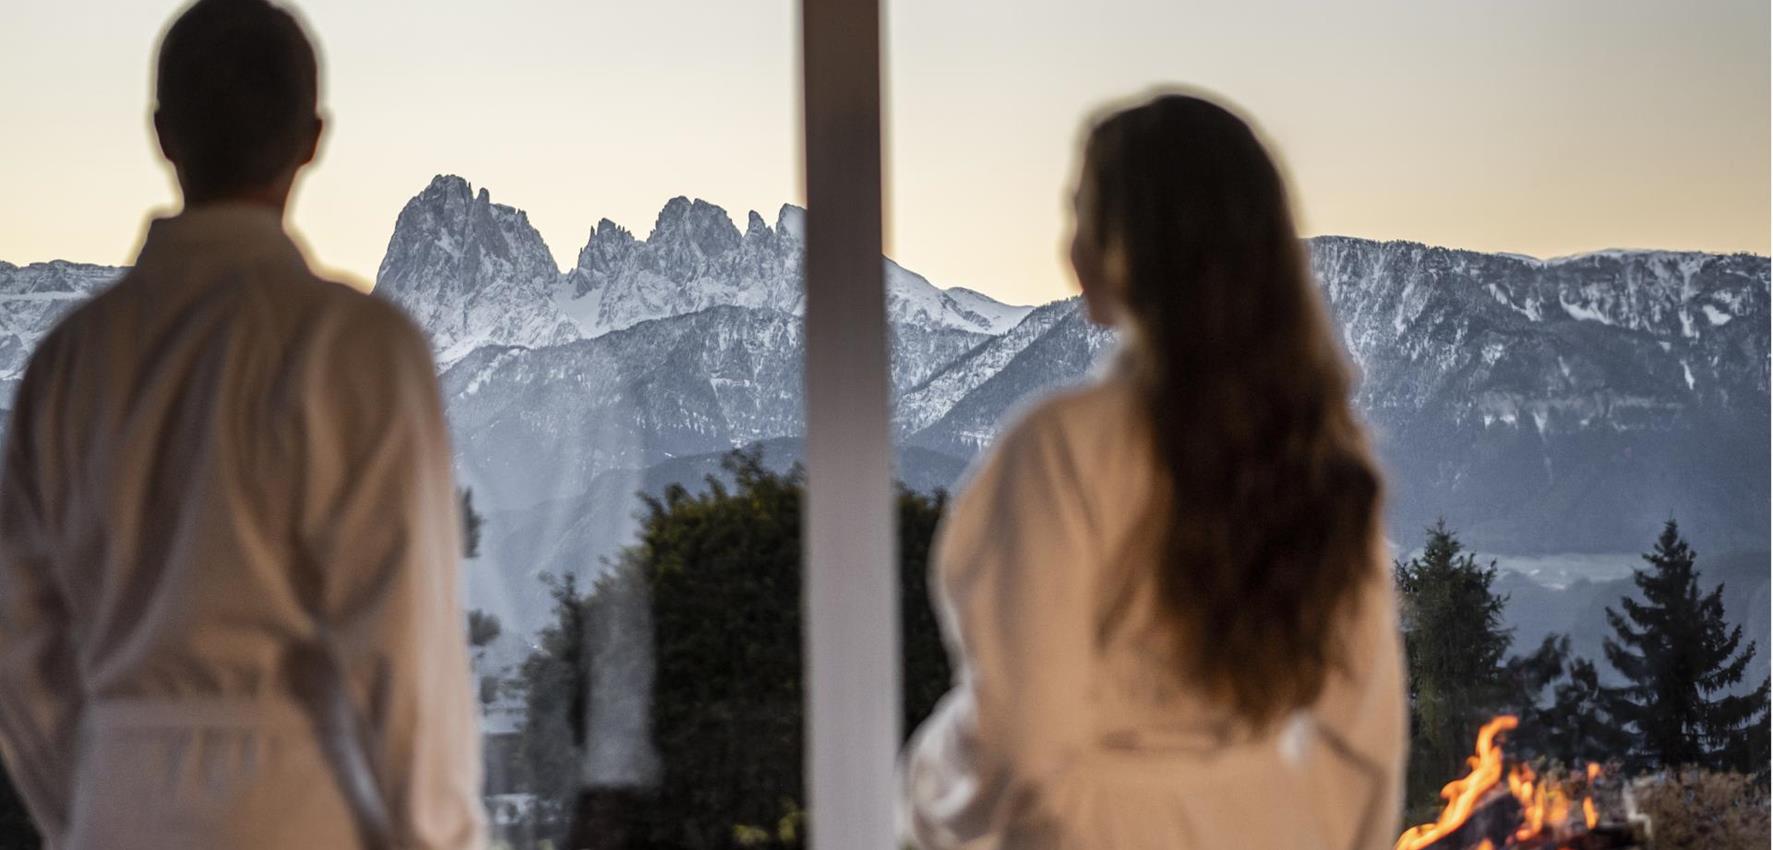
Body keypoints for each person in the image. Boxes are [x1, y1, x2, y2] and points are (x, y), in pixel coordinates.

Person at [0, 2, 485, 848]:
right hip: (301, 808)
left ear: (163, 136)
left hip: (117, 808)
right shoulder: (359, 347)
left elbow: (19, 639)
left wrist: (95, 797)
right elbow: (406, 646)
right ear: (311, 138)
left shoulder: (65, 364)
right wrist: (438, 835)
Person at [900, 92, 1407, 850]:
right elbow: (1364, 739)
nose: (1067, 239)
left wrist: (920, 795)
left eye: (1080, 211)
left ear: (1126, 243)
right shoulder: (1321, 459)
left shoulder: (1062, 450)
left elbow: (1019, 744)